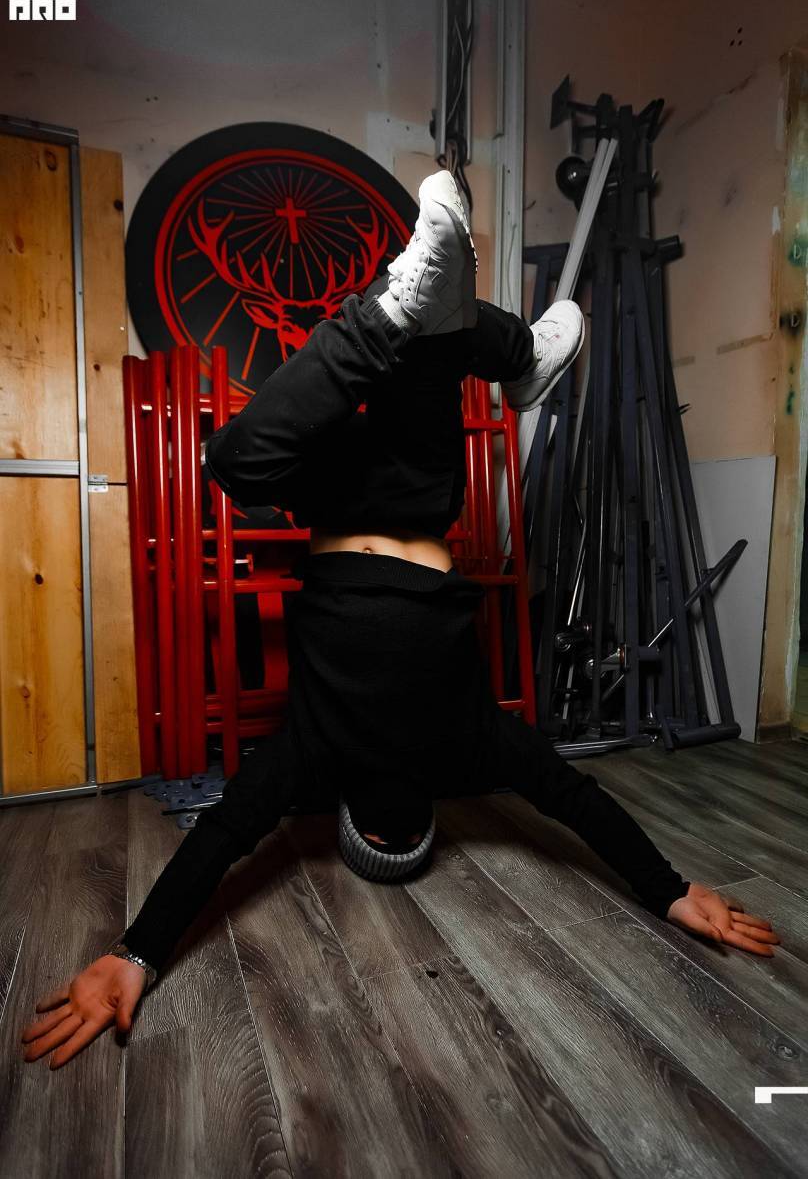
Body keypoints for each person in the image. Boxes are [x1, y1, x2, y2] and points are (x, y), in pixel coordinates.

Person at [22, 171, 780, 1071]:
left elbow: (223, 836)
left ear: (351, 818)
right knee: (424, 347)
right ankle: (497, 346)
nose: (389, 828)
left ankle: (470, 334)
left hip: (333, 497)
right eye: (403, 840)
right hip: (422, 502)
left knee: (231, 459)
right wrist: (669, 889)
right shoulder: (469, 748)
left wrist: (136, 952)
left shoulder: (311, 755)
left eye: (374, 839)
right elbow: (575, 798)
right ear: (424, 821)